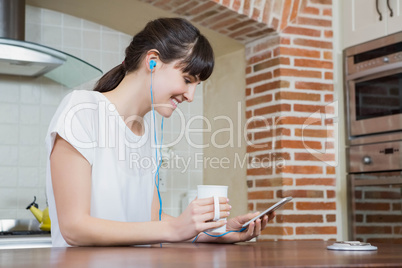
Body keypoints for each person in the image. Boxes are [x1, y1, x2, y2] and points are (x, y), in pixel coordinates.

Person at [46, 17, 275, 247]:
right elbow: (74, 227)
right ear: (153, 61)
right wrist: (174, 229)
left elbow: (151, 220)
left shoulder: (149, 131)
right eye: (187, 80)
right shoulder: (83, 109)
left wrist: (213, 232)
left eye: (196, 85)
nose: (190, 96)